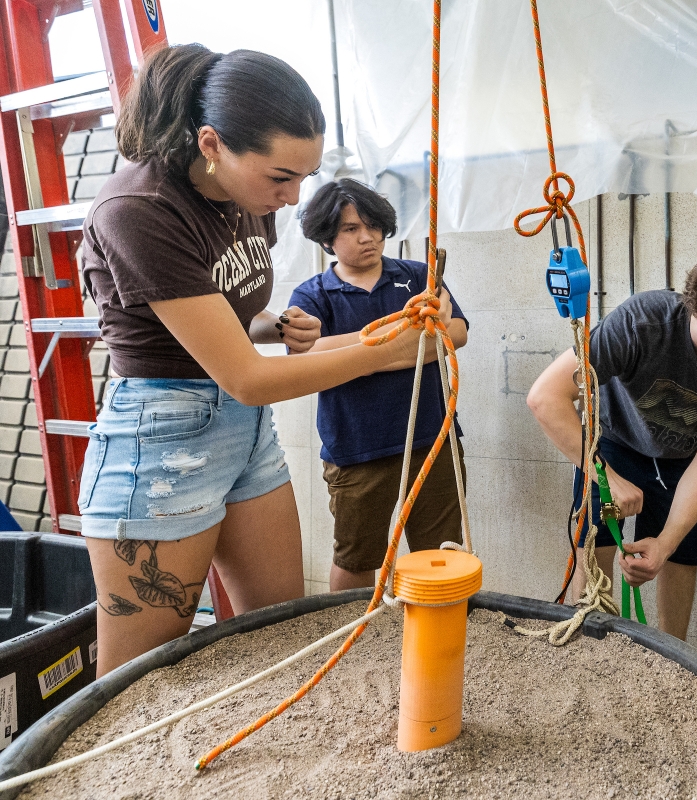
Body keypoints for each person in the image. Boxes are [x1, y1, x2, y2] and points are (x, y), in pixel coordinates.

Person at [80, 44, 424, 675]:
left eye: (303, 177)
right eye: (280, 178)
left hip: (242, 437)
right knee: (135, 685)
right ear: (212, 144)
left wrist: (274, 326)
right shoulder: (139, 209)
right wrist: (382, 350)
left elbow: (220, 319)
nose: (294, 199)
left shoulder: (247, 200)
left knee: (279, 637)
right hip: (162, 440)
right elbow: (246, 378)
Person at [527, 237, 697, 640]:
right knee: (597, 539)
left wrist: (666, 542)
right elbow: (546, 397)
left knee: (680, 555)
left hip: (684, 460)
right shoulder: (644, 322)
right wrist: (606, 477)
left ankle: (677, 660)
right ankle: (588, 646)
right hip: (614, 444)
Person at [290, 180, 469, 591]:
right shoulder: (314, 294)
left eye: (372, 226)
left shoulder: (419, 276)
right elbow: (306, 357)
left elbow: (455, 334)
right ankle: (355, 641)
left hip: (433, 439)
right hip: (356, 449)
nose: (367, 237)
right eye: (351, 228)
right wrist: (405, 338)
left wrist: (359, 359)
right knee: (356, 558)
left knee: (440, 551)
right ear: (328, 236)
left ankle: (438, 632)